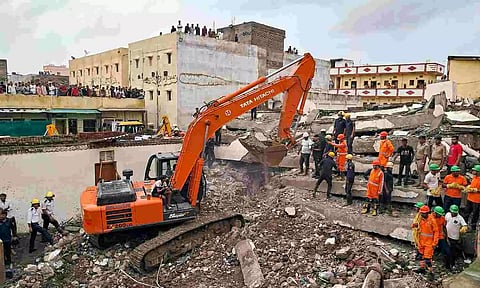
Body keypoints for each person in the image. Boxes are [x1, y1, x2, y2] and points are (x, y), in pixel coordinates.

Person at [413, 205, 438, 281]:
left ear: (427, 213)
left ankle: (431, 273)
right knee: (421, 256)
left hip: (429, 243)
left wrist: (435, 243)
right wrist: (415, 226)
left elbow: (436, 232)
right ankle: (422, 269)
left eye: (424, 213)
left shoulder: (432, 220)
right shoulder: (420, 219)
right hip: (421, 241)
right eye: (421, 213)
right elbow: (416, 226)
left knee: (428, 259)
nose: (422, 214)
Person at [464, 164, 480, 230]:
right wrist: (469, 188)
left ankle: (473, 227)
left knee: (475, 214)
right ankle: (464, 225)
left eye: (474, 170)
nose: (473, 171)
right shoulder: (474, 177)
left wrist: (476, 190)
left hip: (477, 200)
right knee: (466, 212)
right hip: (470, 198)